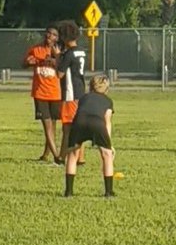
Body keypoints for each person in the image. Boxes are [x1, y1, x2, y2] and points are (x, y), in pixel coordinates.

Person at [63, 74, 116, 198]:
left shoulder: (84, 97)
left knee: (73, 154)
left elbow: (80, 111)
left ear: (91, 87)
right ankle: (109, 192)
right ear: (106, 89)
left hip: (79, 122)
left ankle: (69, 192)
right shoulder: (108, 101)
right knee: (106, 156)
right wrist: (109, 145)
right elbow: (107, 121)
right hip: (97, 123)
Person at [23, 25, 62, 164]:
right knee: (47, 125)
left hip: (55, 93)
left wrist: (55, 59)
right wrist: (28, 62)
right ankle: (57, 155)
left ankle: (46, 153)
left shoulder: (58, 51)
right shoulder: (36, 49)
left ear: (57, 38)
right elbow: (24, 63)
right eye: (48, 33)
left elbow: (63, 66)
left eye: (52, 34)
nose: (49, 36)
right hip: (40, 93)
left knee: (53, 125)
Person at [55, 21, 86, 165]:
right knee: (79, 125)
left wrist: (57, 57)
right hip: (80, 91)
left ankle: (62, 156)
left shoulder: (68, 54)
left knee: (67, 128)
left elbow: (60, 74)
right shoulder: (82, 51)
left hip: (70, 93)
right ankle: (80, 157)